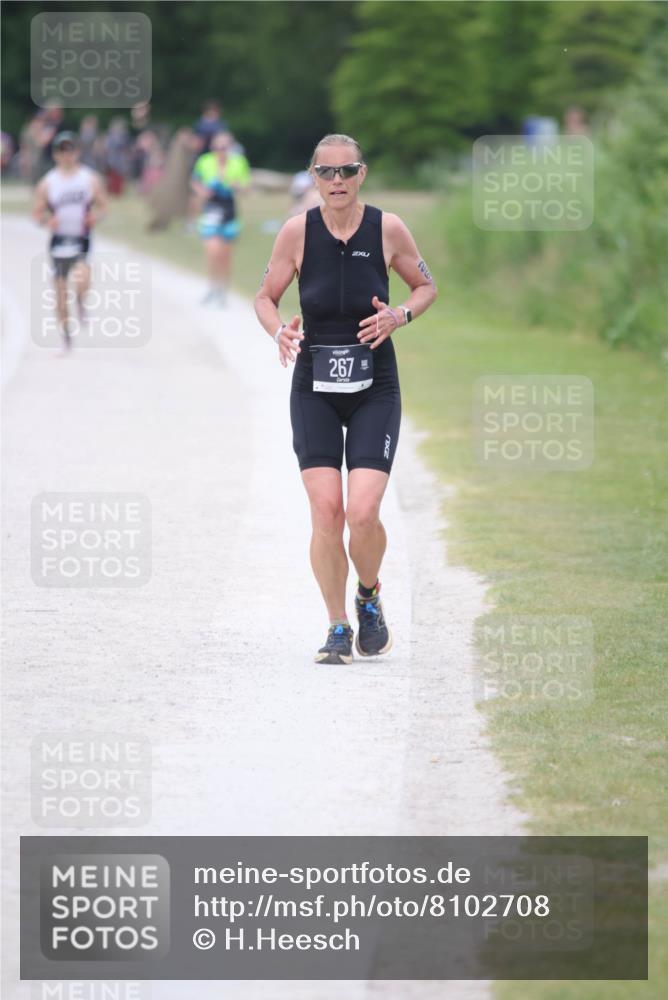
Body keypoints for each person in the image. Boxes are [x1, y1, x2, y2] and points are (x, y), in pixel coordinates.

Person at [254, 133, 437, 664]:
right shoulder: (296, 234)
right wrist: (279, 333)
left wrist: (399, 315)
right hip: (313, 384)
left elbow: (426, 287)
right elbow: (266, 298)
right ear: (312, 176)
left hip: (374, 386)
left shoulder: (388, 229)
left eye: (346, 171)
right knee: (326, 510)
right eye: (326, 173)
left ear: (362, 174)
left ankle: (369, 595)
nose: (337, 182)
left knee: (362, 511)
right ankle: (337, 625)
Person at [32, 131, 107, 353]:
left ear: (77, 152)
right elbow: (36, 215)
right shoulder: (47, 183)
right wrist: (47, 220)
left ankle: (82, 301)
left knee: (83, 279)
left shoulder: (89, 179)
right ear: (55, 154)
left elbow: (103, 207)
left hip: (81, 237)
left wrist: (96, 218)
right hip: (59, 241)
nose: (67, 155)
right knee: (60, 292)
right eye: (62, 150)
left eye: (70, 150)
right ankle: (66, 337)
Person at [190, 130, 250, 306]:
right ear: (212, 147)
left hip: (229, 210)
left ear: (230, 147)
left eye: (225, 147)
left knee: (225, 254)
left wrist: (237, 186)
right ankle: (212, 286)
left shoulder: (239, 162)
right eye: (218, 146)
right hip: (210, 210)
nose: (222, 150)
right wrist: (201, 191)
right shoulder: (205, 161)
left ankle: (223, 289)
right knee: (212, 251)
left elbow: (246, 188)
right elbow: (194, 181)